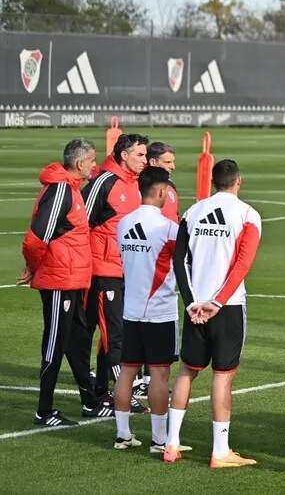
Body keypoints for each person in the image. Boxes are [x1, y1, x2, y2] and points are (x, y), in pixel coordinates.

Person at [164, 159, 261, 467]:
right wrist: (217, 302)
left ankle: (171, 443)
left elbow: (179, 261)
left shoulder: (192, 212)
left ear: (214, 181)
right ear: (238, 181)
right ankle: (220, 451)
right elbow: (241, 265)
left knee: (186, 372)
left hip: (195, 308)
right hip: (227, 309)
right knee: (222, 377)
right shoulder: (248, 215)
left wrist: (193, 302)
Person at [19, 138, 98, 427]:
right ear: (79, 164)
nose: (94, 164)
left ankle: (90, 402)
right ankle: (44, 410)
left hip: (72, 279)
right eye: (91, 160)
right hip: (59, 282)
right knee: (55, 344)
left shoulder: (72, 189)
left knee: (76, 342)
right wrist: (33, 265)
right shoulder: (61, 190)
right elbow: (36, 238)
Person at [71, 132, 148, 411]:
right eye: (140, 155)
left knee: (109, 334)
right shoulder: (104, 181)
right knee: (113, 334)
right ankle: (119, 395)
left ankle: (101, 392)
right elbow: (80, 223)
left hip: (123, 270)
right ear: (124, 155)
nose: (144, 160)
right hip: (101, 271)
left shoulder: (137, 183)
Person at [113, 166, 178, 452]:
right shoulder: (169, 229)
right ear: (163, 191)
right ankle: (159, 439)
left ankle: (122, 434)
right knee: (159, 374)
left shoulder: (123, 223)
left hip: (131, 310)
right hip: (160, 311)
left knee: (127, 371)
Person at [147, 142, 180, 223]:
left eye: (173, 162)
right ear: (153, 162)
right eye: (168, 162)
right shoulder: (139, 187)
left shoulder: (170, 184)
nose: (173, 167)